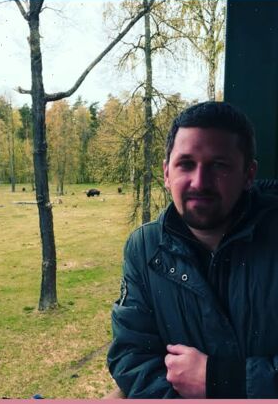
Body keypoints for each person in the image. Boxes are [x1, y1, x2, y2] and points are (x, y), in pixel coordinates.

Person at [107, 101, 278, 398]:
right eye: (186, 164)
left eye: (219, 166)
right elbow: (132, 357)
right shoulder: (144, 249)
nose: (200, 182)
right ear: (166, 173)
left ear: (248, 174)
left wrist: (225, 380)